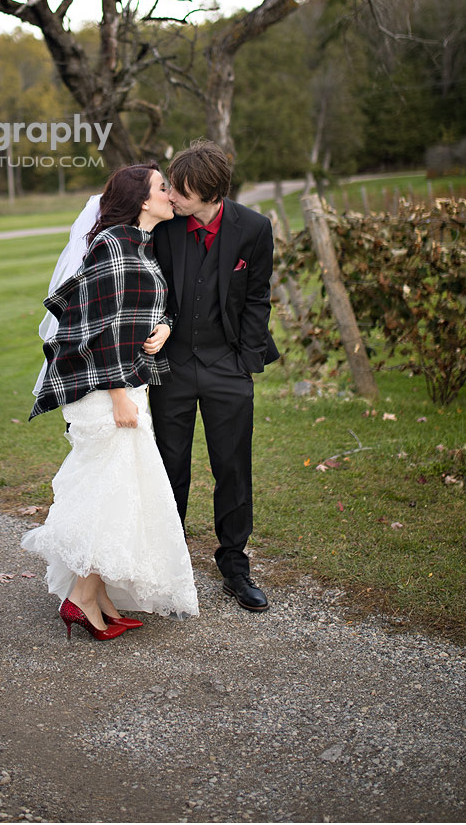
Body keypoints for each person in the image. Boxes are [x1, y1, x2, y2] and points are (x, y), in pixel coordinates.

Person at [23, 164, 199, 642]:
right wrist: (121, 394)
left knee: (120, 490)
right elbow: (96, 326)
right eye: (163, 188)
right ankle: (80, 598)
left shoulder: (138, 243)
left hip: (126, 384)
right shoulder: (112, 244)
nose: (171, 194)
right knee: (115, 492)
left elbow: (139, 308)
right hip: (106, 391)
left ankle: (97, 597)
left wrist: (162, 326)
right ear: (143, 200)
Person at [149, 140, 279, 612]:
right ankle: (169, 560)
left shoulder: (254, 229)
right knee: (169, 466)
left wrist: (246, 363)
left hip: (228, 367)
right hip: (172, 367)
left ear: (209, 193)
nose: (172, 197)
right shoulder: (167, 228)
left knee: (232, 467)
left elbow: (257, 296)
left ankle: (234, 565)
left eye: (181, 191)